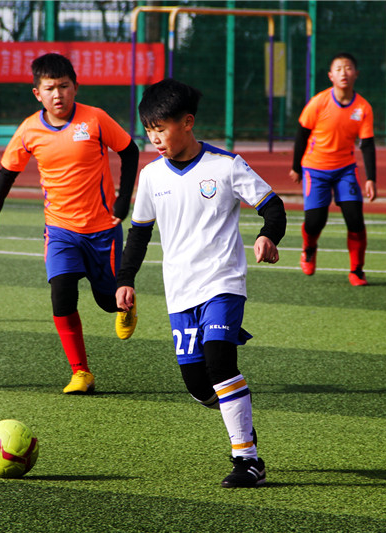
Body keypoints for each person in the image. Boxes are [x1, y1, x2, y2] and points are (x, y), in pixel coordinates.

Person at [115, 79, 286, 488]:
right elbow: (139, 233)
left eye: (162, 128)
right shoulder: (151, 176)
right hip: (179, 291)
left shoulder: (225, 166)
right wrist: (125, 279)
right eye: (149, 130)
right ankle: (239, 418)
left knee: (220, 362)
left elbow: (273, 206)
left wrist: (268, 236)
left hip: (223, 282)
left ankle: (247, 459)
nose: (155, 138)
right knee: (198, 385)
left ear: (187, 122)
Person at [0, 53, 140, 395]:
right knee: (62, 295)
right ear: (37, 93)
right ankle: (81, 373)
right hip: (60, 230)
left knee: (108, 301)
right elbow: (6, 173)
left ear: (75, 87)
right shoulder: (29, 129)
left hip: (103, 229)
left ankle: (125, 304)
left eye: (64, 87)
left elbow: (129, 151)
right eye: (50, 88)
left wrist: (123, 200)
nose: (58, 95)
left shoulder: (95, 119)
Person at [289, 51, 377, 286]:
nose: (343, 73)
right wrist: (296, 167)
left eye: (348, 68)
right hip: (315, 170)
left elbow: (367, 144)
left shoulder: (363, 107)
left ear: (356, 73)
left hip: (345, 169)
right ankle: (309, 248)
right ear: (331, 76)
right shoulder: (319, 102)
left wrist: (371, 178)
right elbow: (302, 134)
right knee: (315, 221)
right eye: (338, 69)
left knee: (355, 219)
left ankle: (357, 270)